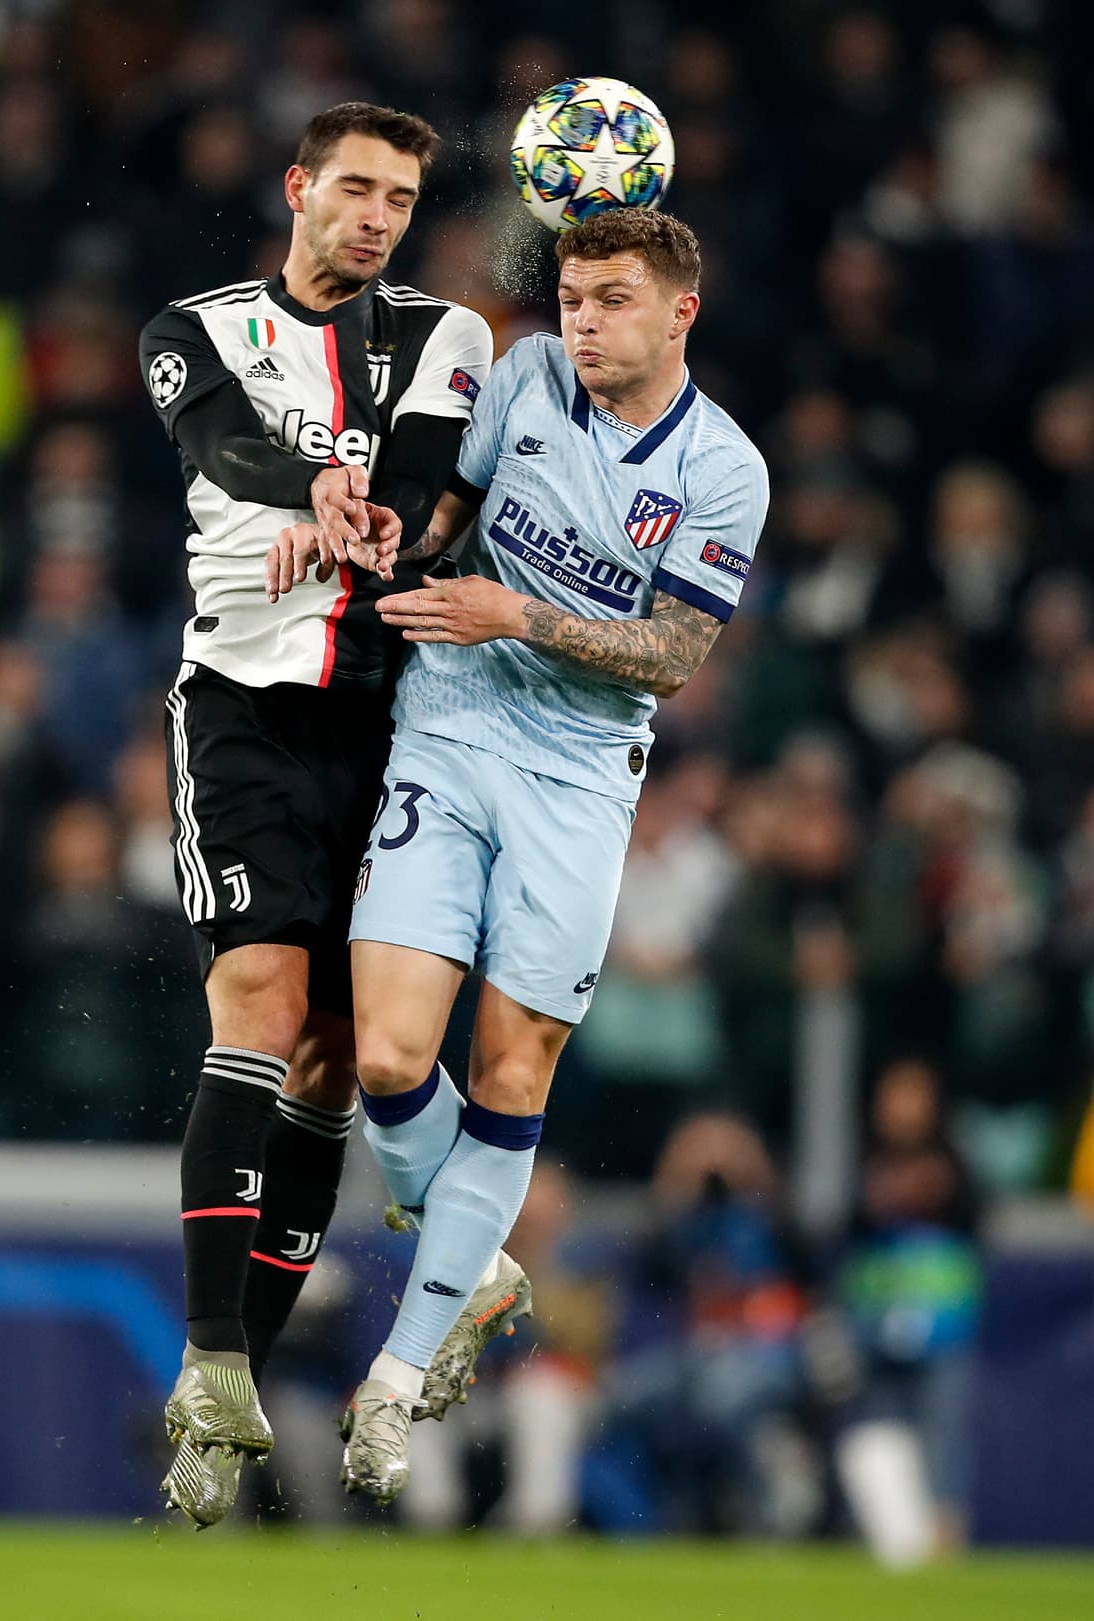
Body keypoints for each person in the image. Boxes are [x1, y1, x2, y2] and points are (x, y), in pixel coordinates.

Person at [334, 207, 768, 1502]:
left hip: (581, 779)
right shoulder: (522, 377)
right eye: (573, 296)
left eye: (612, 300)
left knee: (511, 1065)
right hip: (452, 722)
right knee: (386, 1054)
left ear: (679, 311)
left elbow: (679, 655)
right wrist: (395, 540)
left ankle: (403, 1372)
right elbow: (451, 511)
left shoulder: (721, 469)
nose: (582, 321)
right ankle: (480, 1267)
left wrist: (514, 607)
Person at [138, 101, 492, 1527]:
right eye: (354, 189)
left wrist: (378, 514)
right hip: (239, 712)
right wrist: (317, 486)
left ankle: (238, 1390)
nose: (376, 218)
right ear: (297, 187)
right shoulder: (194, 326)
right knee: (263, 998)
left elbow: (418, 476)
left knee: (339, 1061)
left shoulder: (443, 333)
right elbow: (223, 445)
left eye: (400, 200)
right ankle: (210, 1353)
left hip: (388, 729)